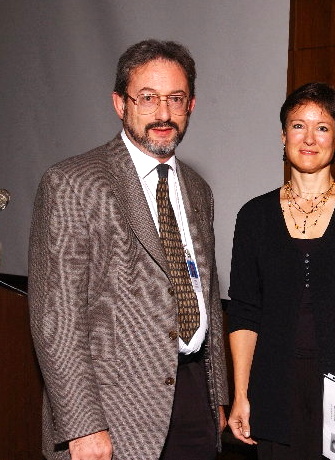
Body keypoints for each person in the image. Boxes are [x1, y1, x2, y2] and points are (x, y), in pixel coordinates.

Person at [28, 39, 228, 460]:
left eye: (175, 99)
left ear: (191, 105)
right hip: (112, 411)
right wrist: (82, 426)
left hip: (194, 399)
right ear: (120, 104)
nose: (162, 114)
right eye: (148, 98)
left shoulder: (198, 189)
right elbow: (56, 319)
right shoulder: (72, 183)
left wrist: (218, 394)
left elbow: (205, 291)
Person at [226, 82, 335, 459]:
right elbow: (244, 311)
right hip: (273, 389)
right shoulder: (254, 216)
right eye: (297, 125)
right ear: (283, 135)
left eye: (322, 127)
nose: (309, 138)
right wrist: (241, 394)